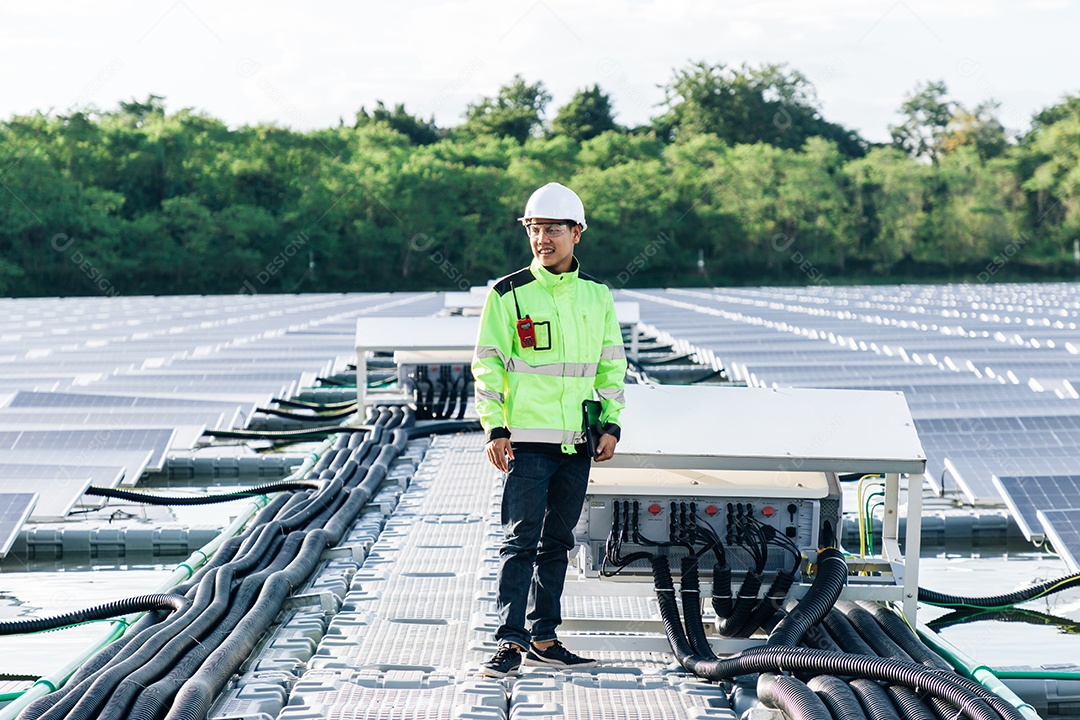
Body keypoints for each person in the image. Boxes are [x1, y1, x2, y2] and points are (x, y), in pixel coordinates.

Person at [472, 182, 627, 678]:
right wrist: (495, 428)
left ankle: (544, 636)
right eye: (535, 229)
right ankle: (509, 641)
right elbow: (488, 365)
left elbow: (611, 367)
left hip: (578, 440)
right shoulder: (507, 293)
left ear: (576, 233)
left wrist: (611, 425)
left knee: (558, 542)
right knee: (520, 542)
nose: (543, 238)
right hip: (526, 442)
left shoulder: (597, 296)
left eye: (553, 229)